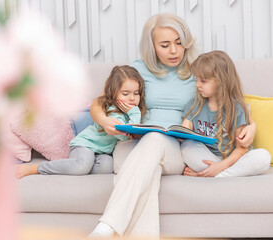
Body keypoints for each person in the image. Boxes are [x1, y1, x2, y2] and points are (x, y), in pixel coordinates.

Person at [89, 13, 263, 238]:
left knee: (153, 141)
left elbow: (230, 100)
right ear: (152, 47)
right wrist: (105, 121)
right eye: (165, 44)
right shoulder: (138, 69)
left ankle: (106, 227)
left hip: (173, 147)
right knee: (146, 173)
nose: (174, 51)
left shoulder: (198, 71)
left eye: (179, 43)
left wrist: (253, 126)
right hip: (130, 144)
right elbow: (99, 102)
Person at [15, 65, 146, 178]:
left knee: (106, 166)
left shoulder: (128, 114)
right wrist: (135, 112)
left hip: (100, 152)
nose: (131, 98)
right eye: (125, 93)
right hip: (85, 144)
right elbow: (124, 136)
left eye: (136, 93)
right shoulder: (113, 111)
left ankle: (74, 164)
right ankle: (38, 168)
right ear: (114, 93)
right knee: (82, 165)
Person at [180, 50, 271, 177]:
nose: (197, 85)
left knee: (263, 157)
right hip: (208, 157)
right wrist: (180, 133)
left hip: (234, 161)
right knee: (187, 146)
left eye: (203, 81)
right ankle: (219, 173)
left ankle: (213, 174)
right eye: (197, 80)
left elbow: (241, 149)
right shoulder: (194, 105)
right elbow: (183, 133)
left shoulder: (236, 109)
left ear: (220, 82)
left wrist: (220, 167)